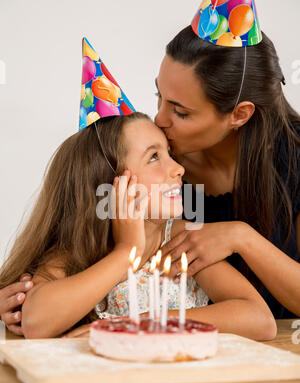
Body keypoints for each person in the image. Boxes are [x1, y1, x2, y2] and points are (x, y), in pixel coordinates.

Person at [0, 39, 276, 340]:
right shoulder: (82, 249)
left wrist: (137, 324)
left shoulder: (182, 238)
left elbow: (260, 320)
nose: (179, 168)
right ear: (108, 183)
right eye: (154, 157)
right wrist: (125, 253)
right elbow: (37, 323)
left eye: (169, 152)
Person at [154, 3, 300, 319]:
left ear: (239, 114)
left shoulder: (295, 161)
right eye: (159, 98)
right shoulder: (156, 163)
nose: (159, 119)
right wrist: (37, 286)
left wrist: (240, 237)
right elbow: (90, 244)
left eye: (180, 112)